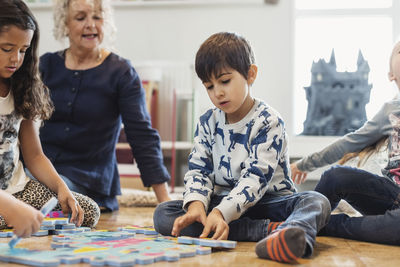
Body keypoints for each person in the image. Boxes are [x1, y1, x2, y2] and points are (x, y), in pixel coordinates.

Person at [153, 32, 330, 263]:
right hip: (223, 202)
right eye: (209, 86)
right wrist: (197, 206)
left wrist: (219, 214)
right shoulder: (207, 121)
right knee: (163, 214)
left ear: (250, 74)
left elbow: (255, 179)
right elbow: (198, 169)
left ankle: (289, 235)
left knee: (316, 200)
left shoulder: (268, 121)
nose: (218, 92)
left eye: (224, 81)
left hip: (269, 202)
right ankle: (268, 231)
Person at [37, 0, 171, 211]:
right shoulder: (47, 65)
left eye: (97, 17)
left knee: (36, 194)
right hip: (41, 172)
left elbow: (142, 135)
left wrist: (165, 202)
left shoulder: (121, 72)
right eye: (81, 18)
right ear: (65, 24)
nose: (91, 24)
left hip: (89, 183)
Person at [0, 0, 100, 235]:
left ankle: (25, 217)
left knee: (87, 211)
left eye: (23, 50)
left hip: (19, 190)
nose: (15, 58)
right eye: (6, 49)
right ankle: (19, 217)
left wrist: (61, 188)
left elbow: (34, 155)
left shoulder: (21, 87)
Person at [291, 41, 400, 245]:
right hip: (391, 195)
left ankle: (323, 226)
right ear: (391, 74)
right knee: (335, 176)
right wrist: (304, 164)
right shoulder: (390, 111)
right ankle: (298, 226)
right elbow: (348, 143)